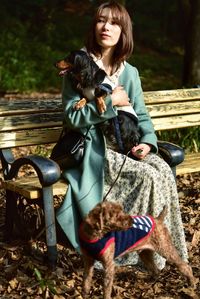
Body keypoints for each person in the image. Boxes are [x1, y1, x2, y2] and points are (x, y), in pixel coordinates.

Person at [56, 1, 188, 269]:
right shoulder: (76, 65)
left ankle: (161, 251)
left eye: (114, 23)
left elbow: (142, 116)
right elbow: (72, 118)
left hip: (127, 145)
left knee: (161, 168)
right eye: (101, 20)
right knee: (147, 174)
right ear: (93, 26)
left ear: (123, 31)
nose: (106, 27)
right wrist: (110, 104)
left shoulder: (130, 72)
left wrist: (148, 144)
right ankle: (125, 252)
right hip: (94, 149)